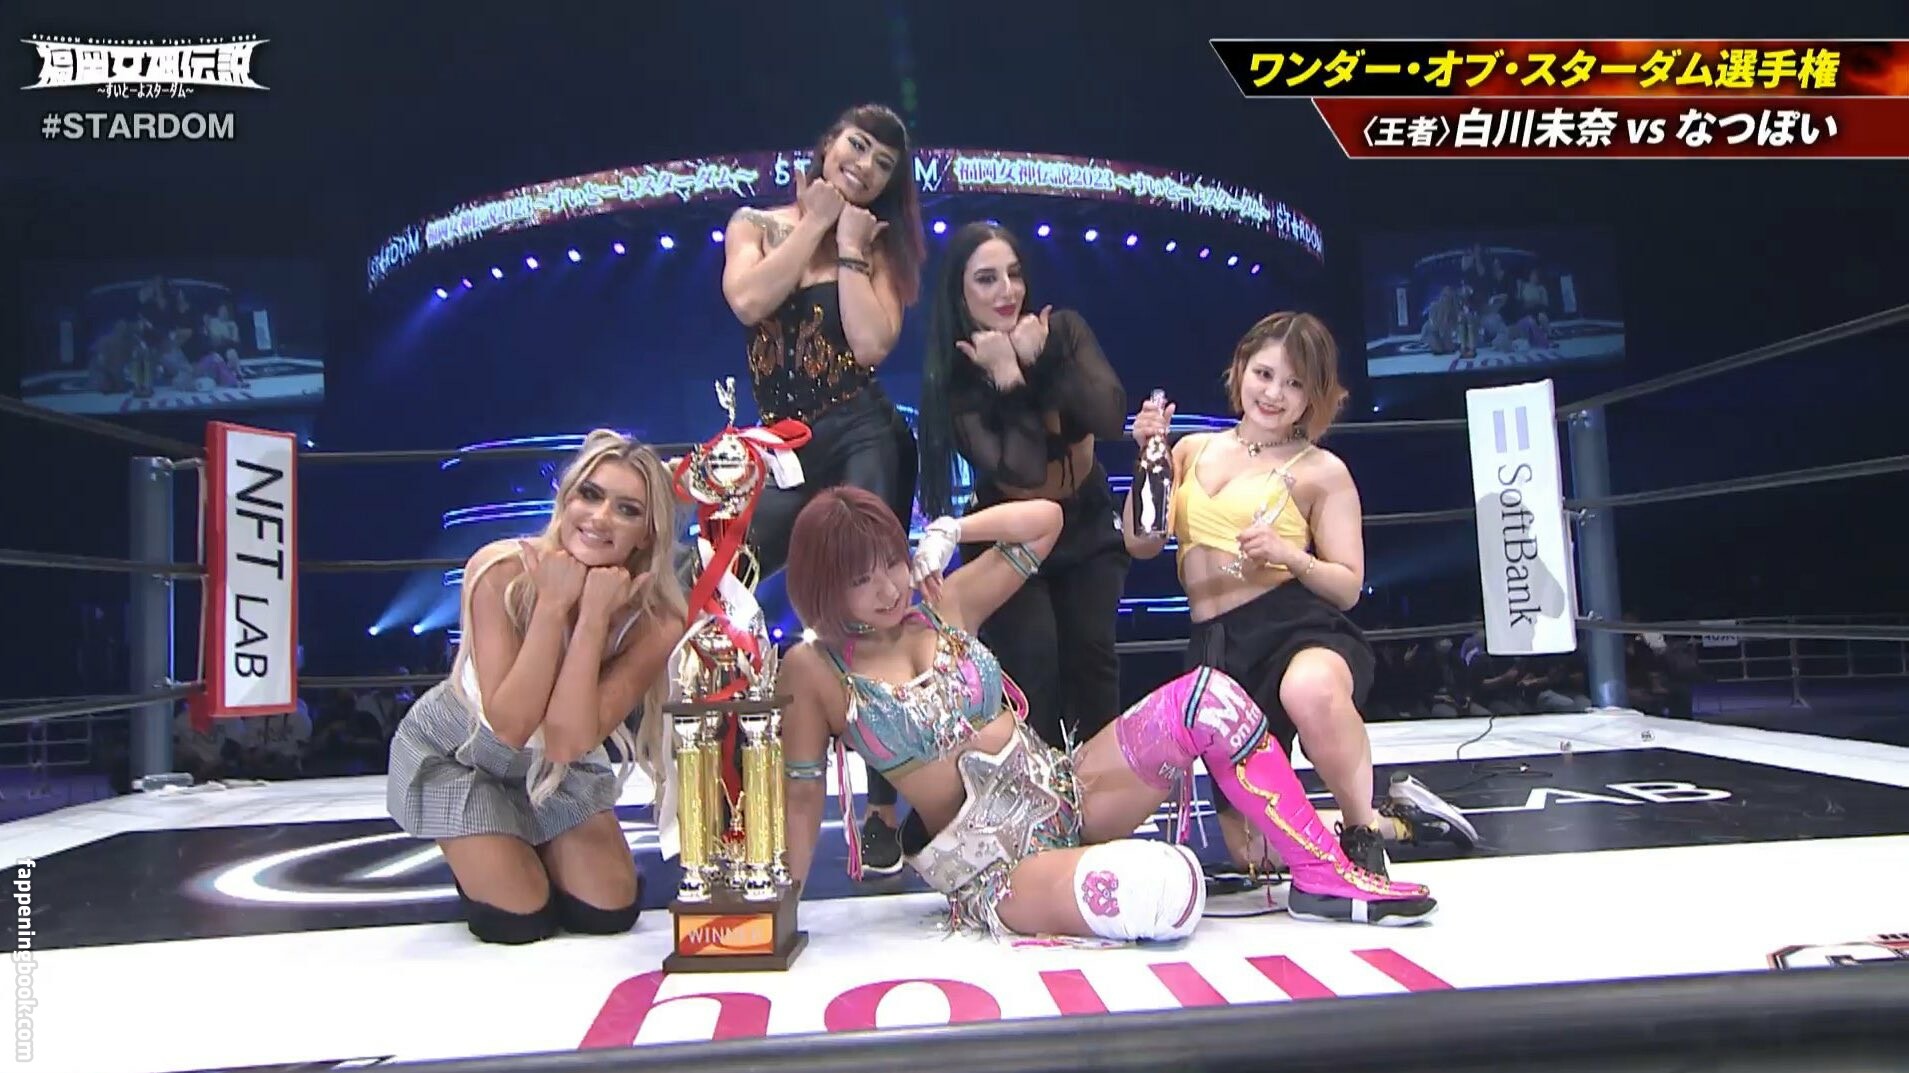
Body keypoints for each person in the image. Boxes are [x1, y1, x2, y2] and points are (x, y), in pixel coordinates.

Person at [773, 485, 1435, 942]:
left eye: (891, 563)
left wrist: (951, 531)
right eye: (861, 579)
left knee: (1208, 697)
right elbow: (801, 798)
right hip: (1000, 871)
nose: (888, 587)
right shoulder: (814, 669)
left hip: (1072, 790)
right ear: (824, 587)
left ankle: (1323, 876)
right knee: (1164, 890)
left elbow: (1045, 521)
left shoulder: (944, 602)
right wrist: (782, 911)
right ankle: (1097, 882)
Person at [1123, 312, 1477, 879]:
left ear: (1313, 396)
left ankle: (1362, 831)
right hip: (1218, 647)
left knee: (1310, 689)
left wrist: (1289, 555)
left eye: (1294, 384)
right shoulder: (1191, 450)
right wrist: (1150, 456)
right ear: (1241, 368)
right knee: (1257, 857)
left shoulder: (1321, 471)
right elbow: (1143, 543)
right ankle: (1403, 820)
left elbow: (1347, 585)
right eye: (1264, 375)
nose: (1274, 394)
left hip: (1294, 628)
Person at [721, 103, 926, 870]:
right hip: (783, 447)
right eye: (857, 146)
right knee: (714, 576)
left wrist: (847, 247)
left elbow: (869, 344)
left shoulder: (877, 247)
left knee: (876, 605)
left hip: (862, 431)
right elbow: (748, 301)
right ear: (829, 144)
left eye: (882, 163)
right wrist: (813, 223)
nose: (863, 165)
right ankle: (724, 776)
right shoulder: (754, 224)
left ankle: (884, 808)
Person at [387, 430, 690, 944]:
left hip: (558, 762)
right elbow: (508, 726)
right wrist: (552, 605)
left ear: (646, 534)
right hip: (463, 753)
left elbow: (568, 743)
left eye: (627, 510)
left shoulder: (658, 620)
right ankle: (486, 843)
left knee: (607, 911)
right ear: (566, 500)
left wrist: (593, 617)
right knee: (519, 920)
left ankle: (532, 839)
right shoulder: (499, 570)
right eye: (590, 495)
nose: (600, 518)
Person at [916, 221, 1129, 758]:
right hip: (1012, 537)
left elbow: (1108, 418)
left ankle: (1104, 792)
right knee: (1034, 666)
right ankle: (1042, 796)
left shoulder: (1062, 331)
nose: (1006, 291)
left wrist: (1040, 359)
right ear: (960, 293)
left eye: (1013, 274)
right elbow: (1026, 472)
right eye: (986, 279)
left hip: (1086, 524)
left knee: (1093, 658)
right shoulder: (956, 377)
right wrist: (1009, 377)